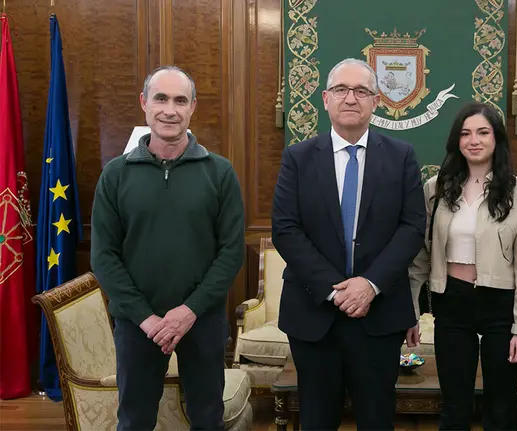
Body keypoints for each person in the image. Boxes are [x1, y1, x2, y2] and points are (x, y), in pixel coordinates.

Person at [271, 58, 425, 430]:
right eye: (341, 90)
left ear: (376, 102)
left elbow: (412, 227)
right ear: (326, 99)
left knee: (376, 418)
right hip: (314, 312)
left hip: (380, 313)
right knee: (317, 419)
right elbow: (286, 229)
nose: (350, 98)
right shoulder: (298, 157)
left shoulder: (402, 156)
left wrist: (369, 285)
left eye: (361, 91)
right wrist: (335, 290)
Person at [91, 65, 245, 431]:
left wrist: (188, 312)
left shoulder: (219, 173)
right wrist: (147, 319)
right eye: (160, 98)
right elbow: (104, 256)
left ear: (193, 107)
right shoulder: (116, 174)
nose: (169, 110)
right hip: (137, 324)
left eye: (180, 100)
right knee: (134, 421)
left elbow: (231, 252)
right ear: (144, 103)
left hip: (202, 320)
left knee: (208, 419)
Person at [409, 101, 517, 430]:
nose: (474, 140)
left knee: (501, 407)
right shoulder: (435, 189)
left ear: (497, 139)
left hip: (501, 306)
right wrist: (409, 311)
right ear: (456, 140)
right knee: (454, 405)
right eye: (466, 133)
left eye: (483, 132)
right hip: (452, 302)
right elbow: (419, 259)